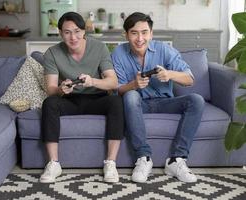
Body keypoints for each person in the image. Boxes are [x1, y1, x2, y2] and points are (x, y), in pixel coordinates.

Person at [111, 12, 204, 183]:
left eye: (144, 32)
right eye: (134, 33)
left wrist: (170, 74)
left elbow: (189, 79)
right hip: (137, 104)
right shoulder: (118, 52)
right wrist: (134, 84)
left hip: (165, 102)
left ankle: (177, 160)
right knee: (131, 96)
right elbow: (117, 90)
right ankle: (143, 157)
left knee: (196, 100)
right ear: (126, 35)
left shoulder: (164, 49)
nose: (140, 38)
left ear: (151, 34)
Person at [40, 12, 124, 183]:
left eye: (77, 31)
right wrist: (61, 89)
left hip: (97, 98)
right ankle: (53, 163)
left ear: (84, 31)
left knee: (116, 101)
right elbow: (50, 89)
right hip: (68, 100)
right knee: (49, 103)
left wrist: (93, 81)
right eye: (67, 32)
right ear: (60, 33)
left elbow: (113, 82)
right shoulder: (52, 53)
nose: (73, 37)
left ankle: (111, 163)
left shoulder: (99, 48)